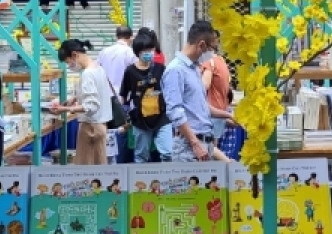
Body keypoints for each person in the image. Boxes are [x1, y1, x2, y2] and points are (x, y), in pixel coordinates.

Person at [162, 21, 234, 162]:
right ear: (201, 45)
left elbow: (201, 105)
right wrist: (194, 143)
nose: (212, 54)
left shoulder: (194, 69)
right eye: (211, 48)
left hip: (205, 143)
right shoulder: (176, 70)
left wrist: (227, 115)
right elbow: (175, 111)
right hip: (189, 147)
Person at [50, 39, 112, 165]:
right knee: (99, 166)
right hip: (100, 125)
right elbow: (97, 93)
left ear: (74, 55)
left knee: (85, 169)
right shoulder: (97, 68)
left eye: (68, 62)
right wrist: (74, 99)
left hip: (91, 127)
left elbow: (91, 105)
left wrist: (65, 109)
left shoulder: (87, 74)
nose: (70, 66)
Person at [120, 29, 171, 162]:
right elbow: (124, 95)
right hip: (140, 121)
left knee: (168, 153)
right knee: (141, 156)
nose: (149, 53)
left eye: (151, 49)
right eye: (145, 51)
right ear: (137, 52)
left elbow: (169, 90)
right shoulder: (130, 71)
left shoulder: (161, 69)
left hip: (162, 118)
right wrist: (126, 116)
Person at [97, 26, 137, 91]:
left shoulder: (104, 52)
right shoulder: (131, 53)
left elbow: (97, 70)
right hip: (124, 94)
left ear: (116, 37)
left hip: (106, 94)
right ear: (131, 37)